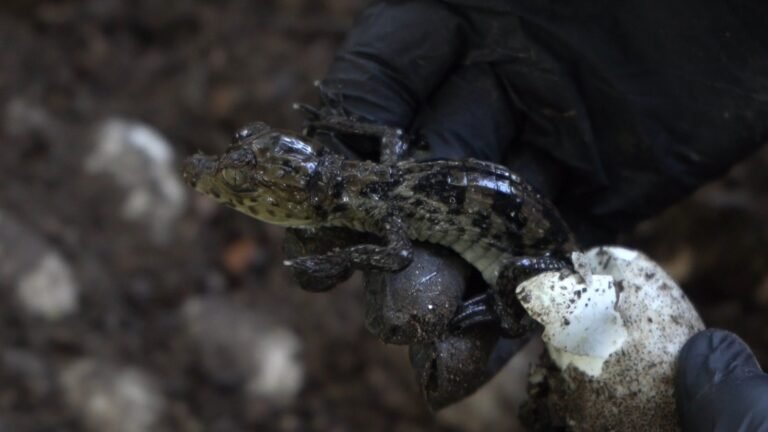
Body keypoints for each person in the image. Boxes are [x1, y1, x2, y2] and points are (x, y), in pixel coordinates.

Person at [295, 1, 768, 429]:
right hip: (523, 214)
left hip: (536, 242)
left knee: (519, 284)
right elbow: (391, 149)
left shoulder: (387, 199)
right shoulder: (386, 182)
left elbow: (399, 236)